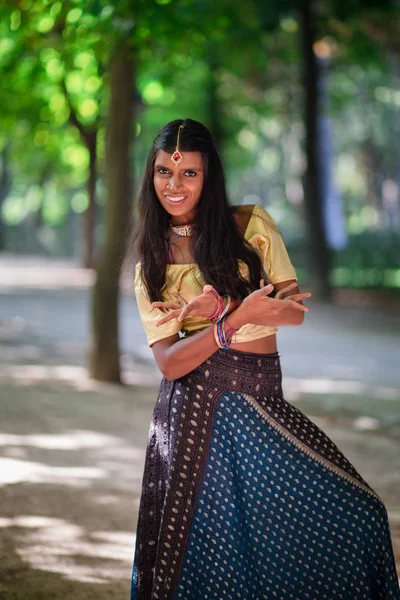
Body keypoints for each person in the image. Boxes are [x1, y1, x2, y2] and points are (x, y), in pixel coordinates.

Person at [130, 118, 399, 600]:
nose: (174, 185)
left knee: (359, 514)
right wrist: (228, 321)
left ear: (209, 175)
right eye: (164, 173)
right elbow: (170, 364)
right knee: (215, 559)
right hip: (196, 418)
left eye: (189, 173)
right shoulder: (150, 264)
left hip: (260, 401)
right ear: (150, 177)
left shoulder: (250, 226)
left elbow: (293, 314)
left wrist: (226, 307)